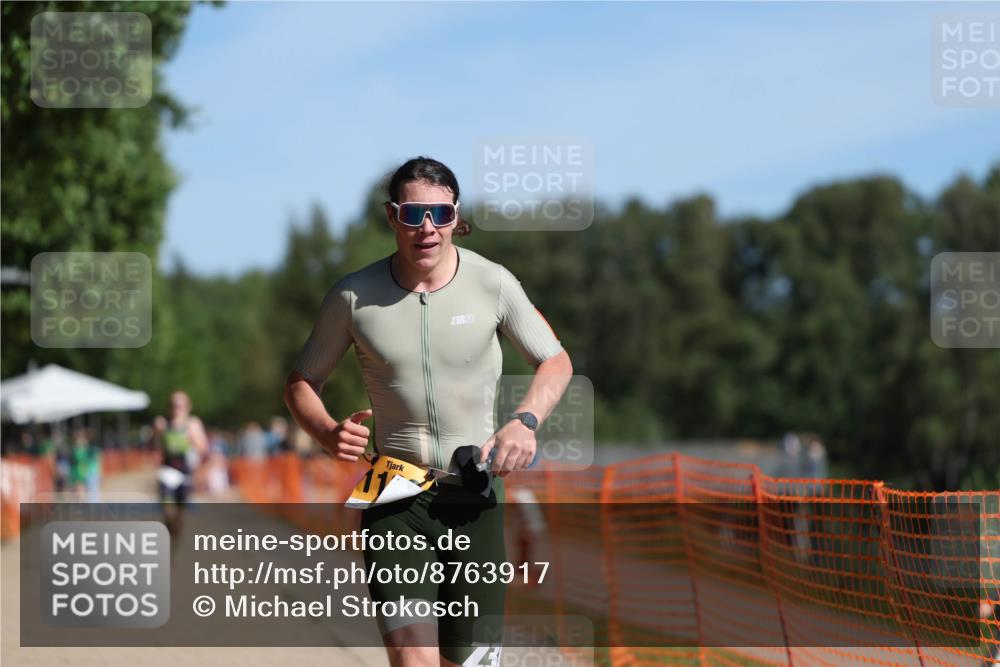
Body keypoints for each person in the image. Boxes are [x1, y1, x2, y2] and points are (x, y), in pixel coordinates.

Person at [284, 156, 573, 667]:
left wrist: (525, 422)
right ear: (392, 216)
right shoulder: (353, 295)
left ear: (456, 215)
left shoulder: (494, 283)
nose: (427, 228)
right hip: (395, 494)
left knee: (471, 662)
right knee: (413, 658)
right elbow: (302, 383)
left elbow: (555, 360)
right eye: (413, 213)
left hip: (474, 492)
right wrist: (327, 431)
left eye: (439, 214)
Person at [152, 391, 208, 538]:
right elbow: (157, 448)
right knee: (167, 508)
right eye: (174, 405)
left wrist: (192, 438)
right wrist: (157, 434)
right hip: (167, 470)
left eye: (180, 405)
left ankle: (175, 534)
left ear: (187, 407)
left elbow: (203, 448)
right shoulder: (163, 424)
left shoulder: (193, 424)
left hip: (186, 472)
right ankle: (168, 528)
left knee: (180, 513)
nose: (177, 408)